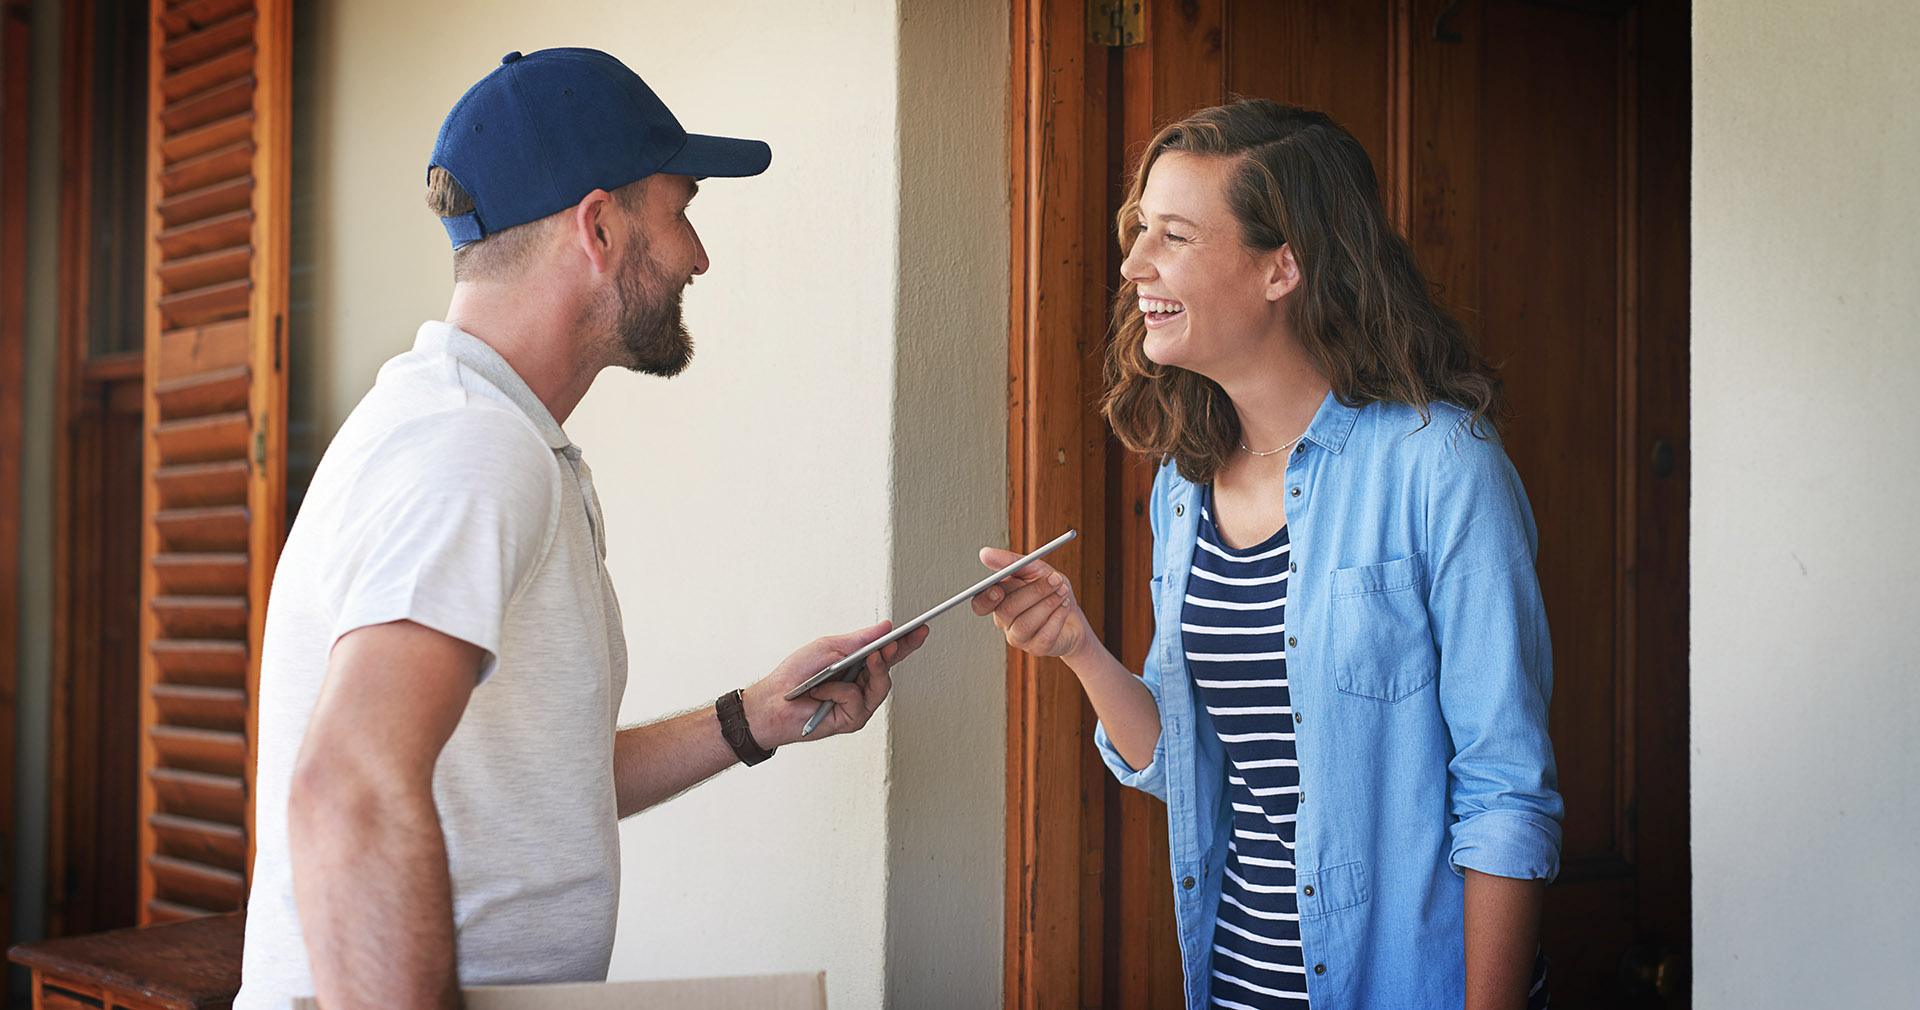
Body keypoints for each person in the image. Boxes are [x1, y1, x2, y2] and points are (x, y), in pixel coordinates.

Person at [234, 48, 925, 1010]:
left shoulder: (487, 434)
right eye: (681, 210)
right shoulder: (470, 450)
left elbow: (528, 781)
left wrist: (751, 717)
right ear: (599, 227)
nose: (698, 255)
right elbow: (347, 788)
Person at [974, 100, 1561, 1010]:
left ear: (1282, 264)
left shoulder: (1443, 469)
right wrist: (1078, 648)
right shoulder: (1185, 481)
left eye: (1173, 236)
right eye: (1139, 233)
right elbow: (1192, 770)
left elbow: (1507, 797)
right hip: (1236, 986)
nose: (1134, 265)